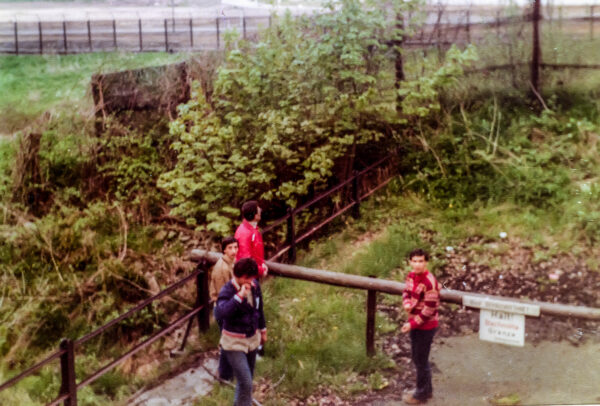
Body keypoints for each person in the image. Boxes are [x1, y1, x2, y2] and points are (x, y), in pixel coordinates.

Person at [215, 258, 267, 406]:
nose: (253, 281)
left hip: (251, 339)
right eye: (250, 278)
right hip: (233, 343)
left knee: (247, 379)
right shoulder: (227, 291)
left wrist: (263, 330)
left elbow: (259, 309)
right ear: (242, 277)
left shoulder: (255, 286)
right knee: (245, 381)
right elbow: (222, 313)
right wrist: (239, 297)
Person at [401, 248, 440, 405]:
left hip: (426, 326)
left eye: (421, 261)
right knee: (419, 358)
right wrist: (407, 303)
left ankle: (420, 394)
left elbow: (429, 311)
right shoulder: (411, 276)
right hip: (415, 324)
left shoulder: (430, 282)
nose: (417, 265)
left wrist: (411, 324)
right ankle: (426, 390)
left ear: (426, 262)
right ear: (410, 262)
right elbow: (406, 291)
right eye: (415, 261)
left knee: (420, 359)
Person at [210, 236, 238, 381]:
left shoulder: (232, 263)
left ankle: (228, 372)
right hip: (224, 309)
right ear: (224, 250)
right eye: (230, 248)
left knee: (230, 340)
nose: (234, 251)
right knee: (227, 341)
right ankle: (224, 375)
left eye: (235, 247)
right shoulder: (221, 268)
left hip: (231, 306)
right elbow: (223, 296)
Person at [235, 200, 268, 277]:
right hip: (249, 277)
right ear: (255, 215)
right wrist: (261, 270)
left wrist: (262, 265)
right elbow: (245, 260)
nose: (260, 211)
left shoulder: (252, 229)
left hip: (253, 273)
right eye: (258, 210)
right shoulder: (244, 233)